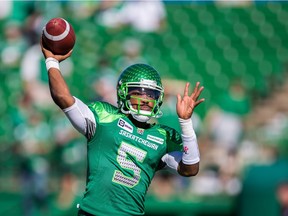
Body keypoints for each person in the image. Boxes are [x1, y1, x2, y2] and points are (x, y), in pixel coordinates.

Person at [40, 39, 205, 216]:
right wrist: (52, 62)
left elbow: (190, 169)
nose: (145, 100)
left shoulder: (163, 136)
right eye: (138, 93)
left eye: (151, 95)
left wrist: (186, 123)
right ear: (123, 93)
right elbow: (63, 98)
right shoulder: (104, 116)